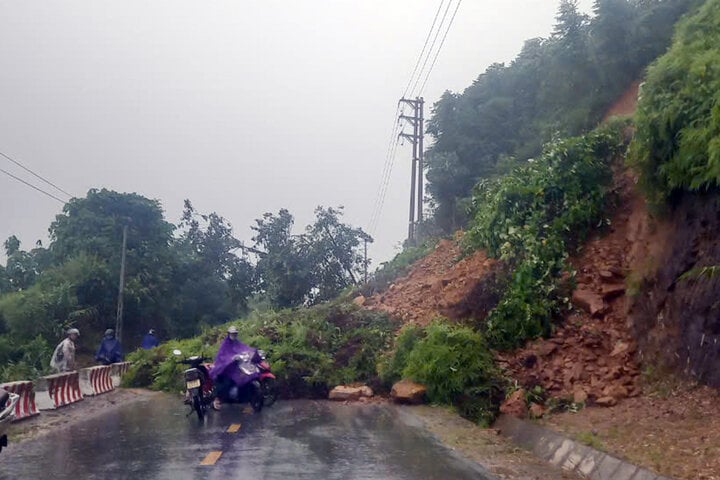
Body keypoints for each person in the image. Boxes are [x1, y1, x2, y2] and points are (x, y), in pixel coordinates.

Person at [210, 326, 258, 409]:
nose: (234, 335)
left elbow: (244, 348)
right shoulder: (225, 345)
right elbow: (222, 356)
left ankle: (247, 397)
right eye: (232, 333)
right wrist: (231, 358)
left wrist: (252, 351)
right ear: (229, 334)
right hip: (226, 369)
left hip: (236, 368)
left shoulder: (237, 342)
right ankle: (217, 399)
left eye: (235, 333)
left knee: (245, 377)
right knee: (228, 382)